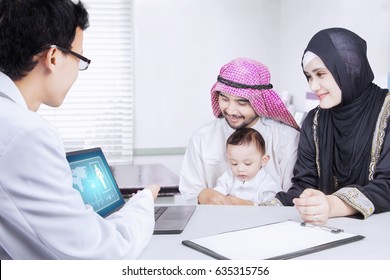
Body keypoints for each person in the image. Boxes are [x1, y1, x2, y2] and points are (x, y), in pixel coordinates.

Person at [0, 0, 159, 259]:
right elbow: (100, 255)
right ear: (53, 57)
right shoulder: (25, 135)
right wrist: (143, 204)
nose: (77, 70)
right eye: (79, 58)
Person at [274, 27, 390, 225]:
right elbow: (304, 184)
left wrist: (332, 204)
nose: (313, 86)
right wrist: (253, 208)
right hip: (325, 231)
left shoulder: (386, 112)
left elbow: (387, 185)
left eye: (320, 74)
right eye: (309, 76)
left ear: (348, 69)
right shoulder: (314, 121)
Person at [179, 58, 300, 204]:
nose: (230, 110)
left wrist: (252, 206)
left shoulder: (286, 139)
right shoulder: (202, 138)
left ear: (259, 101)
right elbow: (189, 191)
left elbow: (293, 197)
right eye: (224, 99)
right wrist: (203, 195)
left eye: (241, 102)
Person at [214, 127, 281, 205]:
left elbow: (272, 207)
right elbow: (217, 195)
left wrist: (248, 204)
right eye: (234, 163)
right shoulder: (228, 177)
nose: (240, 169)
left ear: (263, 160)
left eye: (247, 163)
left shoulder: (268, 184)